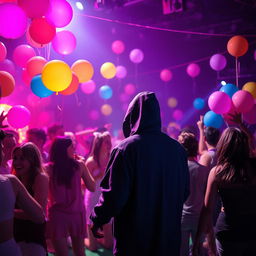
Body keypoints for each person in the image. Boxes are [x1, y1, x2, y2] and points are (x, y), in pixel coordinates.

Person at [90, 91, 190, 256]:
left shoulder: (125, 149)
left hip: (134, 240)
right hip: (168, 238)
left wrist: (97, 218)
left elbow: (114, 194)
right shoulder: (177, 149)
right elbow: (185, 191)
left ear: (132, 115)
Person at [193, 127, 256, 256]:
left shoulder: (217, 172)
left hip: (228, 232)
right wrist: (242, 127)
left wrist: (198, 239)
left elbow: (207, 209)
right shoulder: (253, 168)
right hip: (252, 230)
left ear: (224, 145)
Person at [46, 137, 95, 256]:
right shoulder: (79, 165)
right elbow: (92, 186)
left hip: (57, 215)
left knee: (61, 254)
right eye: (72, 147)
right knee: (79, 252)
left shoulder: (48, 168)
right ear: (64, 150)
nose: (75, 149)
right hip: (76, 213)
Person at [0, 130, 45, 256]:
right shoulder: (10, 178)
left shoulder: (13, 171)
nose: (7, 151)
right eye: (5, 146)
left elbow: (40, 215)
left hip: (27, 236)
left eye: (13, 145)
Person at [12, 143, 49, 256]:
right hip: (16, 236)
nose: (17, 162)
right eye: (15, 158)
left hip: (32, 237)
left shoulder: (40, 178)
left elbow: (39, 214)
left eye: (22, 158)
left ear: (32, 160)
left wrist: (9, 212)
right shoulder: (15, 178)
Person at [178, 132, 209, 256]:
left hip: (181, 217)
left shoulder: (179, 169)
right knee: (199, 251)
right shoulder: (203, 170)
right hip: (199, 216)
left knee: (181, 251)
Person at [84, 132, 113, 251]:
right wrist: (97, 176)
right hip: (93, 197)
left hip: (106, 196)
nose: (108, 144)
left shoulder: (112, 157)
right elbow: (84, 183)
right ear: (99, 144)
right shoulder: (91, 161)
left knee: (108, 244)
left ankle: (99, 240)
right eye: (106, 142)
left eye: (109, 141)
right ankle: (88, 240)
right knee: (93, 247)